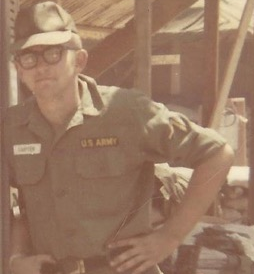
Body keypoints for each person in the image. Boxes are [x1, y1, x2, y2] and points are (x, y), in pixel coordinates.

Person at [5, 2, 234, 274]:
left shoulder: (126, 112)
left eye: (53, 53)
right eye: (28, 57)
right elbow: (21, 205)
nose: (40, 66)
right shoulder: (12, 128)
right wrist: (16, 258)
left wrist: (169, 237)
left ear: (79, 60)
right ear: (19, 68)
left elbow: (217, 154)